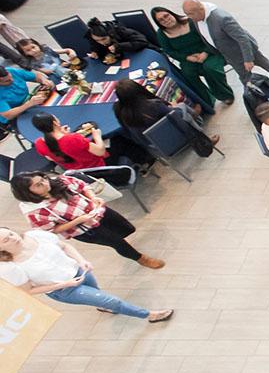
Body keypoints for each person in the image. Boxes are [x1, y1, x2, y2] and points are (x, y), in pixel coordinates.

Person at [0, 227, 173, 322]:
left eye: (11, 234)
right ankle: (149, 315)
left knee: (98, 293)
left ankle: (104, 306)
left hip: (79, 271)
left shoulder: (35, 236)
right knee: (110, 300)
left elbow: (65, 246)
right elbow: (28, 290)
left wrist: (81, 260)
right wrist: (63, 285)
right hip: (64, 289)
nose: (13, 238)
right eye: (6, 240)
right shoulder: (10, 266)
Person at [10, 172, 164, 268]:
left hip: (99, 211)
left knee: (128, 228)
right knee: (117, 242)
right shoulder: (35, 211)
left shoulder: (59, 181)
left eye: (42, 179)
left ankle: (123, 244)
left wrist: (93, 197)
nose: (45, 183)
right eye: (38, 185)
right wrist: (78, 220)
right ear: (28, 192)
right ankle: (140, 258)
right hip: (85, 230)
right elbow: (52, 230)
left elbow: (83, 185)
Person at [182, 0, 269, 84]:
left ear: (200, 10)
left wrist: (248, 59)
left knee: (263, 62)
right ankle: (254, 92)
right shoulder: (196, 19)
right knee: (245, 77)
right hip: (230, 55)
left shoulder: (221, 19)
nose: (189, 17)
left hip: (244, 50)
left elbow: (242, 38)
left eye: (190, 14)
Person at [151, 6, 235, 105]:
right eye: (161, 20)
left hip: (209, 52)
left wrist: (205, 52)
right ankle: (206, 101)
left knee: (210, 69)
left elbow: (210, 37)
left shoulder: (191, 22)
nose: (166, 20)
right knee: (188, 74)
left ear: (171, 14)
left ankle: (225, 95)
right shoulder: (162, 34)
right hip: (188, 58)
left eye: (166, 16)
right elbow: (169, 51)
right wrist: (187, 58)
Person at [30, 113, 153, 180]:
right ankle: (146, 161)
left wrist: (63, 134)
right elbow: (100, 151)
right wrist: (97, 135)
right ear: (55, 122)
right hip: (100, 165)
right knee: (118, 139)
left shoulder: (39, 144)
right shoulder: (73, 139)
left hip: (81, 172)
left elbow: (53, 158)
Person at [112, 78, 218, 147]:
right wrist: (174, 107)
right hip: (178, 134)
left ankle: (194, 115)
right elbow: (177, 118)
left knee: (179, 111)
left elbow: (132, 135)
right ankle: (204, 139)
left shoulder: (120, 111)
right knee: (181, 107)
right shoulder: (153, 105)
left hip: (157, 144)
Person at [83, 17, 151, 61]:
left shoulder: (120, 30)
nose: (101, 42)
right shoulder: (92, 37)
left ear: (110, 35)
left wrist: (119, 46)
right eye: (97, 40)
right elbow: (96, 48)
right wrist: (96, 52)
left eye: (104, 39)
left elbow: (142, 41)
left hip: (139, 55)